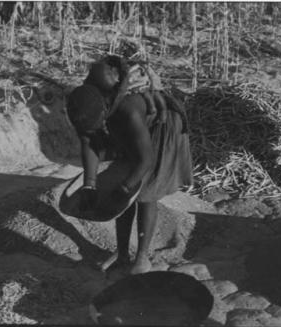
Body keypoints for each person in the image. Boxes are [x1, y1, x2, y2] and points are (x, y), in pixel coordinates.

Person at [66, 56, 193, 275]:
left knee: (144, 191)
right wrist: (89, 185)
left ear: (105, 115)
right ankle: (122, 253)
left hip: (160, 126)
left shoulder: (127, 109)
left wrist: (125, 188)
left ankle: (142, 258)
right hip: (133, 129)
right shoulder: (83, 103)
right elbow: (89, 142)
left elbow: (146, 160)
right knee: (123, 183)